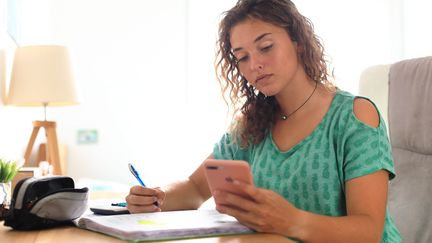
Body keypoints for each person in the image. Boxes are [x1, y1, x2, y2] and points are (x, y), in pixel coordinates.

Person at [126, 0, 401, 242]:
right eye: (242, 57)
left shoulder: (354, 116)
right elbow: (196, 188)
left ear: (299, 42)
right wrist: (158, 196)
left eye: (266, 47)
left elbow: (368, 231)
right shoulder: (252, 124)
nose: (254, 64)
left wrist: (291, 221)